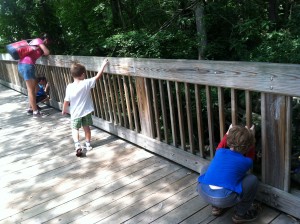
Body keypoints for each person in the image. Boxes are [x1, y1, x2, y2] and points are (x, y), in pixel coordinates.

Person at [197, 124, 259, 223]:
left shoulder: (220, 151)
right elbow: (250, 152)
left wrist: (228, 132)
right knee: (252, 180)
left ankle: (216, 208)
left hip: (203, 191)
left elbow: (222, 143)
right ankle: (240, 214)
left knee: (206, 167)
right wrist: (251, 136)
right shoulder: (246, 161)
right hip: (224, 199)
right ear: (248, 146)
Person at [62, 58, 109, 157]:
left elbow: (66, 101)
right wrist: (103, 65)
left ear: (72, 75)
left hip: (75, 113)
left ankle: (77, 145)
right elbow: (98, 76)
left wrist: (64, 110)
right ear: (83, 74)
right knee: (86, 128)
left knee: (75, 129)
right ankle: (87, 145)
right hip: (86, 112)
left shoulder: (69, 87)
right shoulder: (86, 83)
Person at [18, 36, 50, 117]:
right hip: (27, 66)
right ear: (45, 39)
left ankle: (31, 108)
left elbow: (40, 53)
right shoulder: (38, 40)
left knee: (37, 88)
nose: (47, 42)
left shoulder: (35, 45)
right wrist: (43, 46)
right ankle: (35, 112)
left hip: (25, 65)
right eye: (47, 40)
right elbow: (47, 52)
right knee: (31, 90)